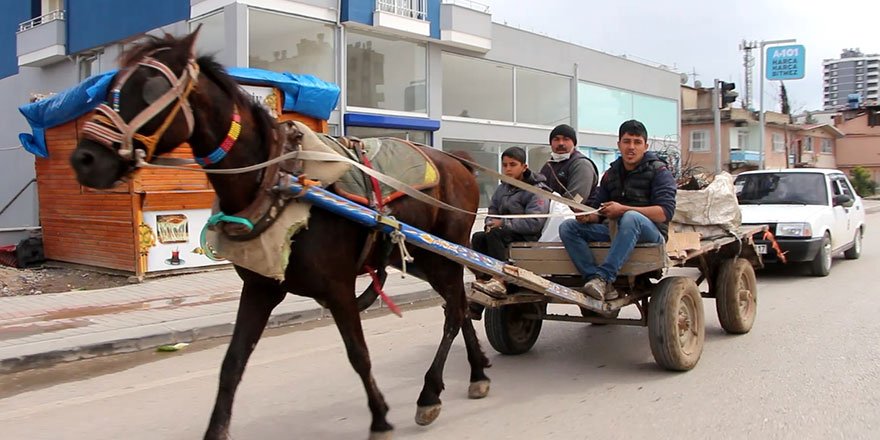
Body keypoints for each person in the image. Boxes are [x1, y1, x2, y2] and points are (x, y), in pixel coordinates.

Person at [558, 120, 677, 301]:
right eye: (627, 141)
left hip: (650, 233)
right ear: (619, 144)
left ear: (645, 146)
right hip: (614, 230)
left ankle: (604, 277)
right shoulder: (611, 174)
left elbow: (665, 213)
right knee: (568, 227)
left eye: (637, 142)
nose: (631, 147)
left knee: (631, 217)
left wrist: (622, 210)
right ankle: (594, 280)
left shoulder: (659, 171)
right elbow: (598, 209)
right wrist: (588, 216)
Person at [469, 146, 551, 317]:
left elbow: (535, 223)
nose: (507, 169)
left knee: (495, 233)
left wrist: (502, 224)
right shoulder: (502, 189)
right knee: (478, 237)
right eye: (504, 165)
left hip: (527, 237)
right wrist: (490, 223)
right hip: (503, 233)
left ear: (524, 167)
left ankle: (500, 280)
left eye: (512, 165)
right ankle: (482, 281)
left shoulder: (537, 190)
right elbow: (492, 212)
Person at [540, 124, 599, 205]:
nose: (561, 143)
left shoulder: (581, 165)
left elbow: (576, 200)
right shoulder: (549, 165)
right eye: (556, 139)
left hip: (575, 215)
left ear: (574, 143)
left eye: (566, 139)